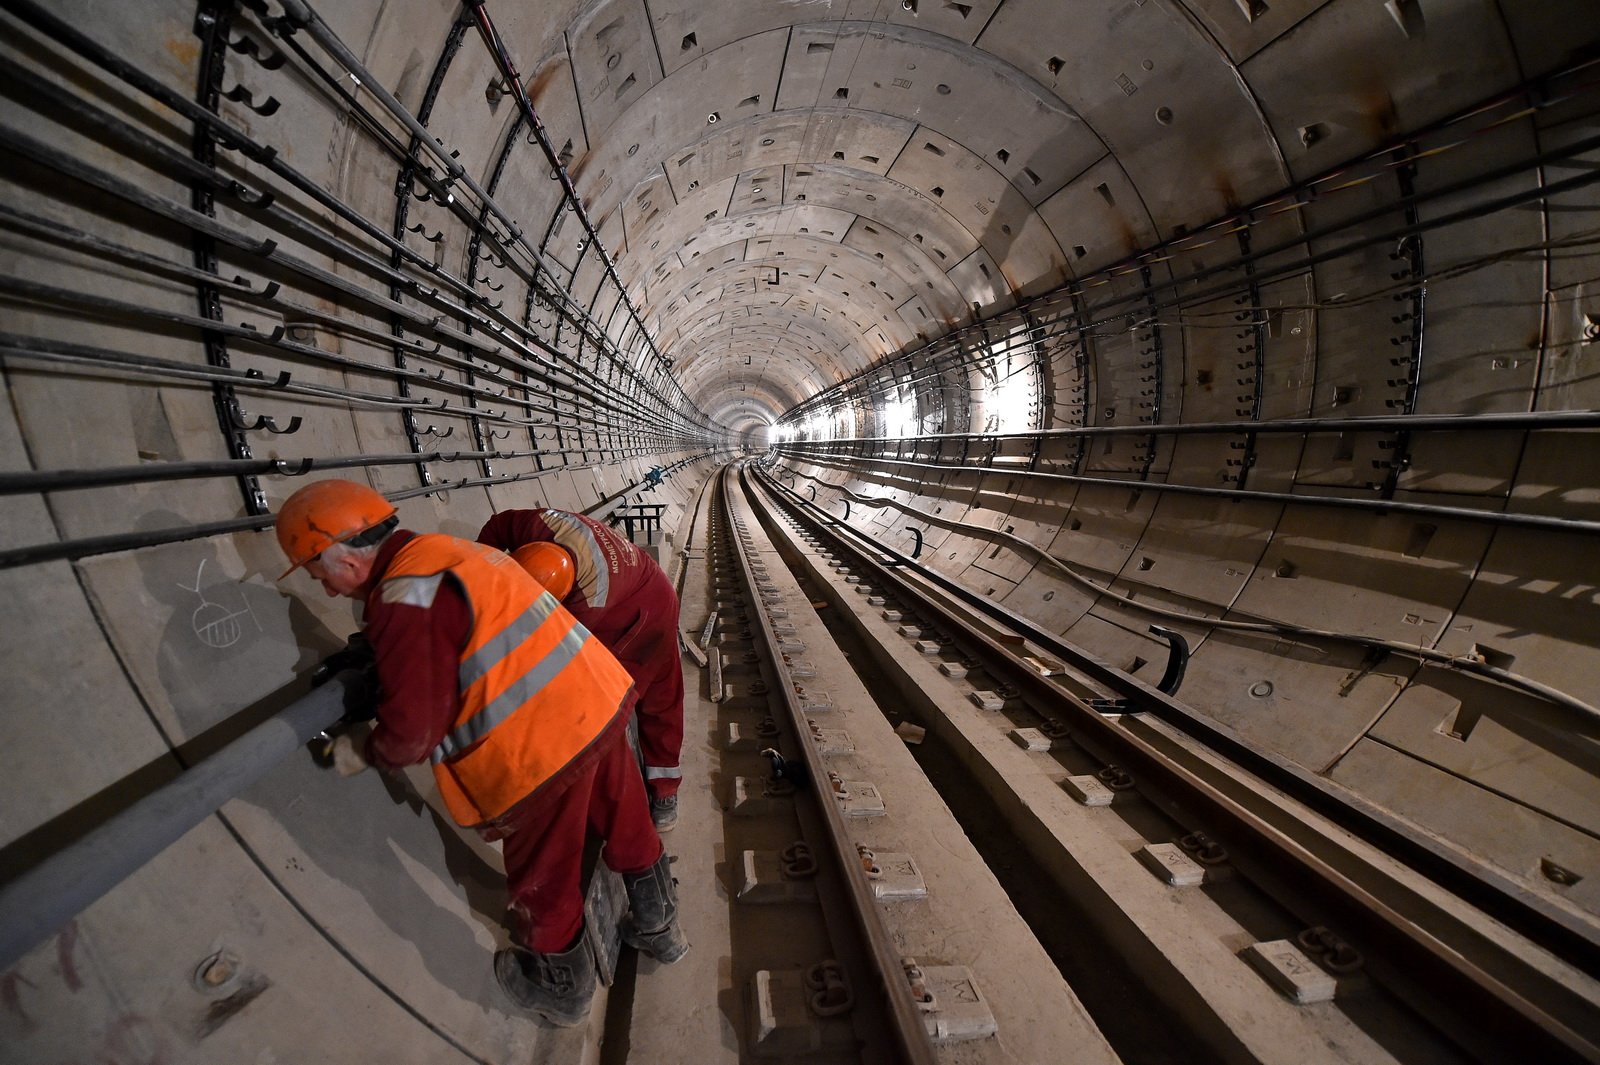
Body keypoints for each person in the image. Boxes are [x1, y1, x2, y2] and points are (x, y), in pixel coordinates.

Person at [274, 479, 687, 1027]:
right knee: (629, 823)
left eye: (317, 572)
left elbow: (414, 733)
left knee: (546, 878)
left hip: (540, 753)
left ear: (344, 557)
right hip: (599, 703)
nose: (325, 591)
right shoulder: (454, 550)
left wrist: (366, 751)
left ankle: (563, 991)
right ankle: (662, 930)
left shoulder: (404, 595)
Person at [477, 507, 686, 831]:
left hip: (648, 612)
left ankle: (664, 789)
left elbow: (552, 655)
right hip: (632, 578)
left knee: (647, 698)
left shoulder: (589, 597)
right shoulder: (531, 526)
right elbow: (494, 527)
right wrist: (483, 580)